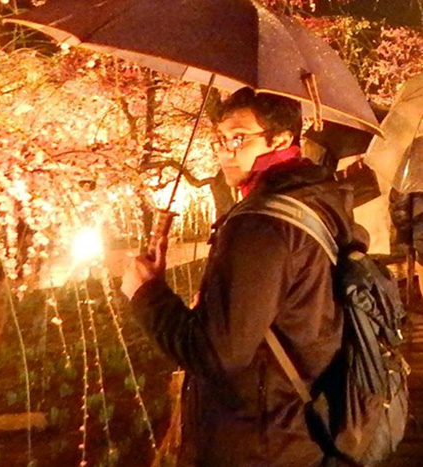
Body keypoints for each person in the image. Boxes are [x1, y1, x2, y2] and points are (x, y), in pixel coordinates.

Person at [121, 87, 364, 466]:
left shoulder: (260, 224)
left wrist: (147, 294)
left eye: (238, 138)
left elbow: (217, 355)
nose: (224, 152)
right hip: (294, 427)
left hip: (257, 439)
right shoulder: (313, 199)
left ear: (281, 139)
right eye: (219, 139)